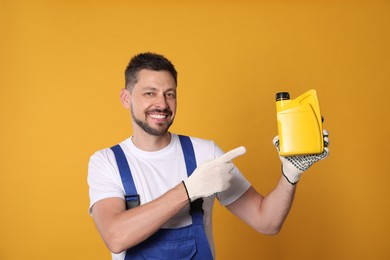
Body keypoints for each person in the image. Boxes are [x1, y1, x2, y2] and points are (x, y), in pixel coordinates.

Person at [87, 52, 329, 260]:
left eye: (169, 93)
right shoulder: (106, 162)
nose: (162, 103)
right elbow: (116, 236)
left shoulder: (205, 153)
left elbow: (267, 222)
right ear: (126, 98)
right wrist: (190, 189)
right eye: (150, 93)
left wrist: (290, 175)